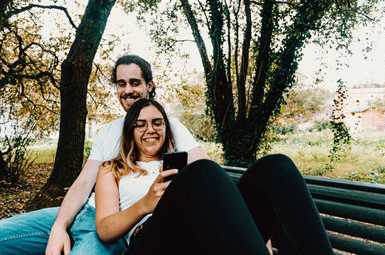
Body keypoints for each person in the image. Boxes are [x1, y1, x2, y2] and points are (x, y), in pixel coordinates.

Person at [0, 55, 209, 255]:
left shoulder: (167, 127)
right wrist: (59, 226)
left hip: (112, 227)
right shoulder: (107, 131)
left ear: (149, 86)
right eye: (121, 83)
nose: (128, 90)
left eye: (135, 82)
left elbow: (205, 172)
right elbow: (83, 184)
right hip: (84, 211)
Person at [95, 98, 333, 255]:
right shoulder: (113, 168)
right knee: (203, 171)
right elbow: (104, 229)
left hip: (201, 238)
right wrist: (144, 205)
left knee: (275, 167)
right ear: (130, 131)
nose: (151, 130)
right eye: (141, 125)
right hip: (151, 243)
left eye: (158, 123)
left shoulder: (182, 164)